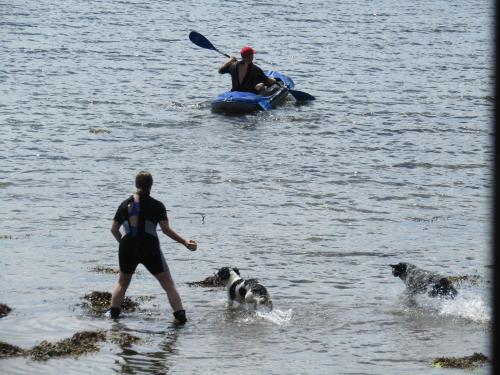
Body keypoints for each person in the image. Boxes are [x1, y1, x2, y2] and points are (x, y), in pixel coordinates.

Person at [109, 171, 197, 325]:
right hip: (150, 247)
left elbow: (114, 230)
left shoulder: (124, 204)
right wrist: (185, 242)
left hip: (127, 246)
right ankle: (181, 318)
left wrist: (125, 245)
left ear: (136, 184)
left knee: (122, 284)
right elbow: (165, 230)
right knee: (168, 285)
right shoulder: (157, 205)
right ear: (151, 185)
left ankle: (114, 318)